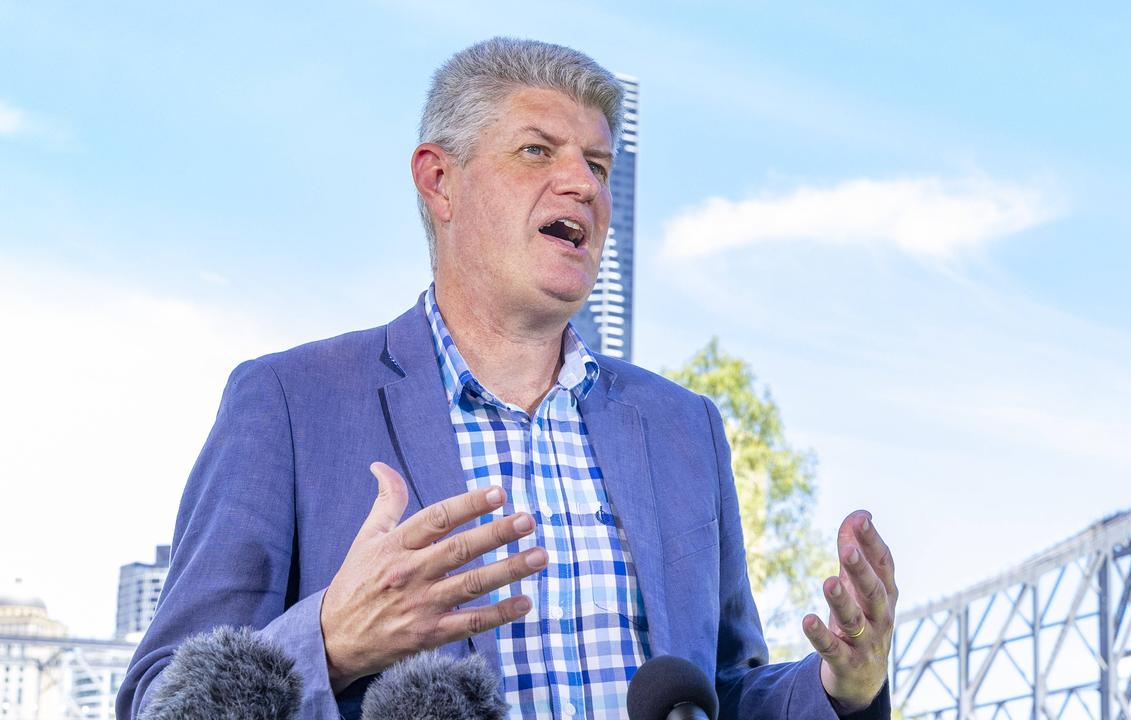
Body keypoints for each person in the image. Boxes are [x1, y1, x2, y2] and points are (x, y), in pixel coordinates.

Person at [117, 37, 897, 720]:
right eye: (537, 152)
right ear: (439, 181)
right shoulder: (289, 404)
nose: (584, 185)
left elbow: (722, 690)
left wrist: (840, 690)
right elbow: (159, 698)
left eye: (596, 163)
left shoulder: (683, 427)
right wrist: (330, 640)